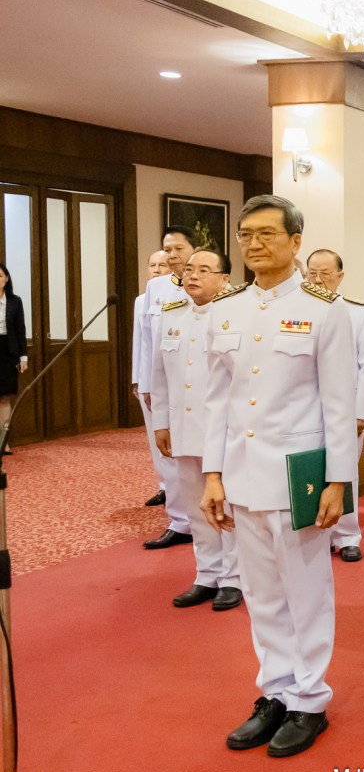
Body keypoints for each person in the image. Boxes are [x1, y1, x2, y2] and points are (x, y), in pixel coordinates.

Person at [201, 194, 357, 758]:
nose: (254, 244)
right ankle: (275, 691)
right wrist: (212, 474)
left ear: (295, 241)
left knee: (306, 591)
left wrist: (338, 482)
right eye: (245, 235)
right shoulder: (226, 309)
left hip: (300, 477)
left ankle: (310, 700)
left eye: (267, 234)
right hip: (242, 476)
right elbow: (217, 404)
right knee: (262, 595)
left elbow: (339, 405)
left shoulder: (324, 309)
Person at [150, 249, 242, 610]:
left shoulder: (237, 315)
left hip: (225, 430)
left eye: (205, 270)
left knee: (228, 505)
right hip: (185, 428)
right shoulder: (172, 316)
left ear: (224, 279)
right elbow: (159, 375)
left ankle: (233, 578)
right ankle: (207, 573)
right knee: (195, 505)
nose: (193, 275)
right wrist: (161, 423)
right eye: (189, 269)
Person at [307, 249, 364, 560]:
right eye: (312, 273)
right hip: (305, 409)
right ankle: (314, 534)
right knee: (309, 470)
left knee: (344, 470)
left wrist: (361, 412)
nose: (318, 280)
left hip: (345, 409)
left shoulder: (359, 312)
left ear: (340, 276)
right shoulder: (297, 310)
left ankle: (347, 535)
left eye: (325, 273)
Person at [138, 226, 195, 549]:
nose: (172, 255)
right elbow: (149, 341)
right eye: (167, 249)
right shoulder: (156, 288)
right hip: (165, 384)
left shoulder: (212, 283)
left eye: (178, 249)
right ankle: (179, 521)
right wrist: (146, 383)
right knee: (168, 454)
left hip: (199, 385)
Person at [132, 251, 172, 495]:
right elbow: (141, 342)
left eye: (163, 265)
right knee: (154, 433)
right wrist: (138, 380)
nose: (157, 270)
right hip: (149, 378)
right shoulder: (141, 300)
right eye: (152, 265)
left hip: (173, 378)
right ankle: (163, 485)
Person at [0, 263, 29, 455]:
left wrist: (23, 356)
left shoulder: (15, 301)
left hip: (7, 351)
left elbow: (20, 329)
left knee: (4, 398)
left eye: (0, 276)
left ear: (7, 278)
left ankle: (4, 443)